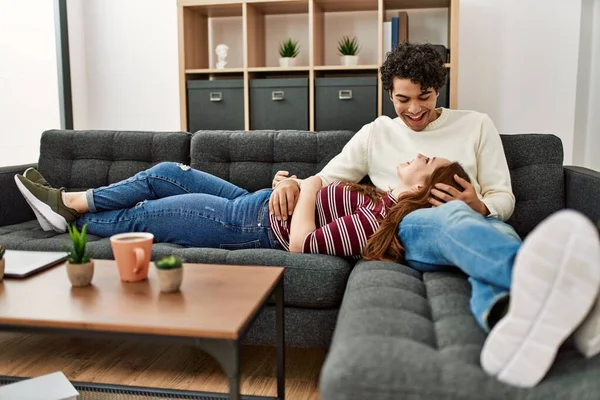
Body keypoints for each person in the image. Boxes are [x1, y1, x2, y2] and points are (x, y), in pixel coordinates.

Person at [268, 42, 600, 388]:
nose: (414, 110)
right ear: (390, 95)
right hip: (412, 223)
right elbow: (325, 179)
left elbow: (503, 197)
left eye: (424, 97)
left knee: (494, 232)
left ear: (438, 90)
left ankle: (510, 320)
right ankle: (563, 292)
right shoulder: (376, 133)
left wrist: (480, 205)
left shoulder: (477, 125)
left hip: (480, 221)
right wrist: (288, 183)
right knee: (449, 220)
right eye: (403, 99)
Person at [14, 154, 463, 259]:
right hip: (257, 203)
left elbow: (302, 244)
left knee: (144, 213)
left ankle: (67, 216)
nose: (415, 155)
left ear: (423, 186)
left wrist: (305, 189)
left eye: (425, 160)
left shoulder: (381, 220)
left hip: (247, 225)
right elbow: (314, 190)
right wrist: (290, 181)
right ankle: (71, 202)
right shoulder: (382, 197)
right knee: (166, 172)